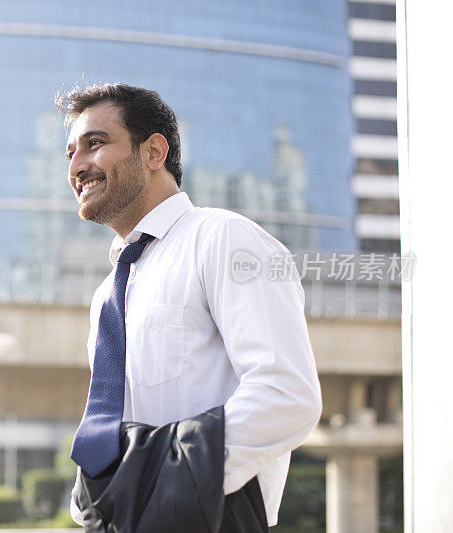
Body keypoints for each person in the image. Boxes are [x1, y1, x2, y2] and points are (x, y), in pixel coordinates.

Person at [57, 84, 322, 529]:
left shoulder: (225, 239)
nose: (77, 165)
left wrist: (169, 482)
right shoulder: (108, 293)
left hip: (211, 513)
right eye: (69, 154)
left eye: (95, 144)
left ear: (154, 152)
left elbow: (287, 395)